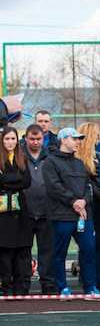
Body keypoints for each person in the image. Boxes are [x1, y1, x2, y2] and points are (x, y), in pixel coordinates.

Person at [42, 127, 100, 300]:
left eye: (79, 139)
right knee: (59, 253)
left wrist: (83, 200)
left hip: (83, 215)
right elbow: (54, 187)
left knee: (89, 249)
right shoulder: (50, 162)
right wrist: (73, 201)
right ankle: (63, 288)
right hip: (61, 216)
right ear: (63, 139)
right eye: (74, 138)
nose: (78, 142)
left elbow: (86, 186)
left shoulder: (79, 163)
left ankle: (90, 288)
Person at [22, 124, 57, 295]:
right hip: (25, 212)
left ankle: (48, 284)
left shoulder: (50, 157)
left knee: (47, 251)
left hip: (46, 211)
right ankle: (23, 284)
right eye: (32, 139)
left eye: (38, 139)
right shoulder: (19, 157)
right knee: (24, 251)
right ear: (26, 138)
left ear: (43, 139)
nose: (35, 142)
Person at [0, 126, 32, 296]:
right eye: (7, 139)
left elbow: (27, 181)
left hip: (20, 212)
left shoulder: (22, 158)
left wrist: (7, 180)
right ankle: (6, 287)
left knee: (21, 251)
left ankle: (20, 288)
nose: (10, 142)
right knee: (5, 252)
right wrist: (15, 179)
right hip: (3, 213)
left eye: (13, 139)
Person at [76, 122, 100, 293]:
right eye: (95, 135)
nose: (98, 138)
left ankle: (99, 279)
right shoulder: (79, 159)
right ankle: (88, 279)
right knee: (88, 244)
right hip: (87, 205)